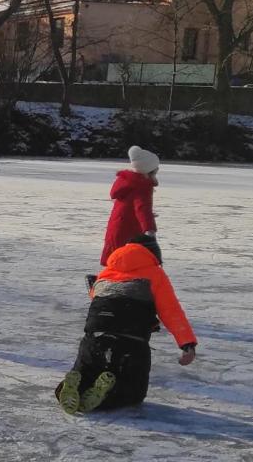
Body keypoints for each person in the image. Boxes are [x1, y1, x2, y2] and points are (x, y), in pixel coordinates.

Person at [56, 234, 197, 414]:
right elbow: (171, 310)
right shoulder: (155, 273)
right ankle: (105, 397)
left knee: (88, 370)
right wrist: (187, 343)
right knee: (133, 390)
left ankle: (72, 386)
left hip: (95, 332)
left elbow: (98, 297)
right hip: (130, 337)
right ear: (154, 255)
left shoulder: (106, 272)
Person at [101, 146, 159, 266]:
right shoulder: (141, 185)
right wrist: (149, 229)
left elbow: (131, 206)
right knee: (126, 264)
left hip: (117, 228)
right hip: (130, 233)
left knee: (114, 261)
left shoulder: (127, 181)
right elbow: (142, 209)